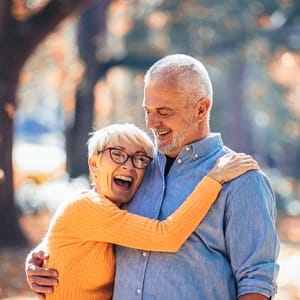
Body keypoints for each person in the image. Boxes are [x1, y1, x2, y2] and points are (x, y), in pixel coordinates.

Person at [26, 54, 279, 299]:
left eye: (163, 111)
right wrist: (42, 256)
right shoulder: (136, 170)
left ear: (201, 109)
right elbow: (91, 217)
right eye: (147, 110)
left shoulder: (241, 179)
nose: (150, 122)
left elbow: (256, 280)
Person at [26, 122, 257, 300]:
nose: (128, 165)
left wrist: (39, 253)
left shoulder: (112, 208)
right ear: (94, 165)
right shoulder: (86, 207)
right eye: (116, 154)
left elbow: (62, 241)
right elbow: (166, 235)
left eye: (139, 159)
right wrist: (214, 178)